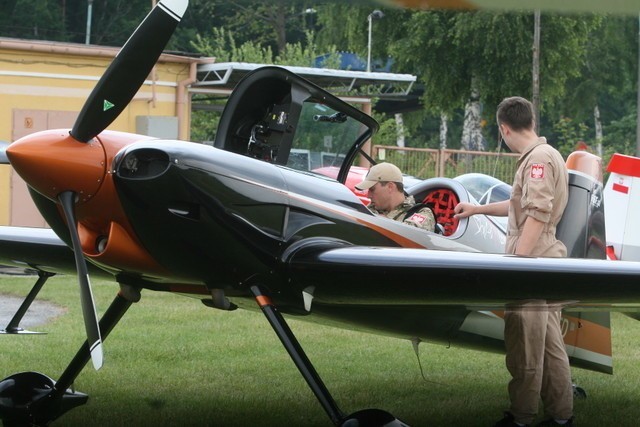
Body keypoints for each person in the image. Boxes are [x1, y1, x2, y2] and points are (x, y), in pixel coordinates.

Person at [453, 96, 572, 427]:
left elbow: (537, 213)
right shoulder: (544, 156)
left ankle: (521, 417)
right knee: (549, 346)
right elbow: (521, 204)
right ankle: (562, 416)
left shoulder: (538, 160)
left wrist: (517, 265)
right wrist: (477, 209)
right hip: (544, 259)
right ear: (530, 121)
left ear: (504, 128)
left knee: (525, 345)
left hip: (533, 260)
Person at [355, 162, 436, 232]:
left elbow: (408, 237)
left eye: (372, 189)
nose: (368, 195)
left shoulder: (422, 213)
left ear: (390, 187)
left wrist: (381, 222)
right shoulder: (372, 208)